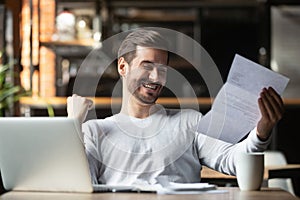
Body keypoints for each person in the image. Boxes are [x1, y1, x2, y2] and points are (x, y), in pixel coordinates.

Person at [67, 28, 284, 185]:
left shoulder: (189, 121)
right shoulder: (95, 131)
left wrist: (261, 131)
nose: (156, 77)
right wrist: (73, 126)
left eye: (162, 69)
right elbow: (81, 188)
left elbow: (234, 161)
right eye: (147, 66)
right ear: (123, 67)